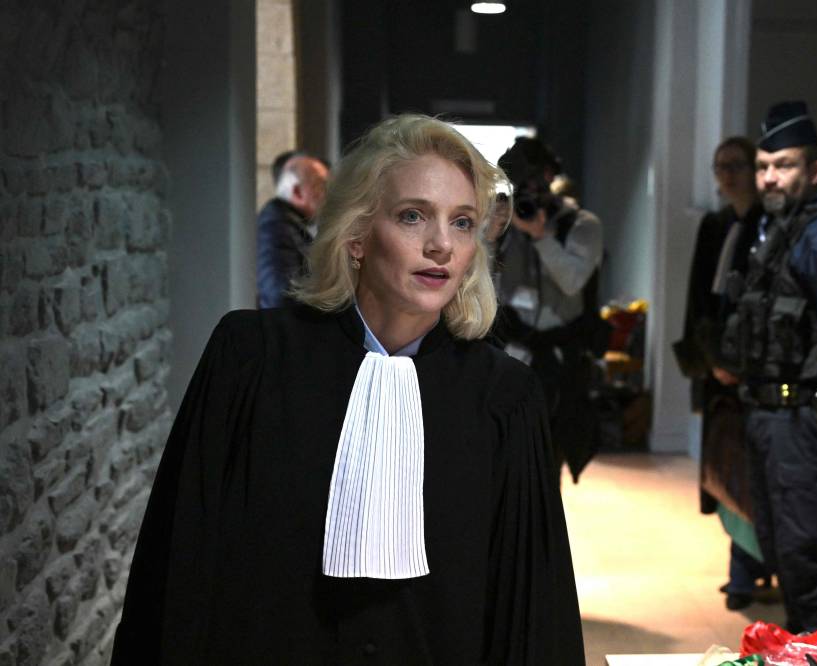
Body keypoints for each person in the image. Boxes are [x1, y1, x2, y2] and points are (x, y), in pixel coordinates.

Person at [111, 115, 585, 664]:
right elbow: (179, 562)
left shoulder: (505, 398)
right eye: (412, 216)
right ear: (356, 236)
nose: (441, 245)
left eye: (461, 222)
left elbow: (530, 607)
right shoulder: (250, 358)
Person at [720, 101, 817, 634]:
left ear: (813, 171)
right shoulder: (776, 232)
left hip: (803, 422)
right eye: (763, 166)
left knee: (809, 557)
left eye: (783, 165)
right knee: (782, 551)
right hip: (768, 418)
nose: (769, 177)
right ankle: (802, 649)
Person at [675, 136, 770, 611]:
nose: (727, 175)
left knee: (750, 470)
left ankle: (746, 571)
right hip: (718, 363)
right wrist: (708, 359)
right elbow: (699, 296)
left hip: (756, 369)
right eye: (720, 167)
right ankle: (744, 567)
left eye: (736, 165)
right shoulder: (715, 225)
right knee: (727, 466)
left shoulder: (770, 225)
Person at [493, 137, 605, 485]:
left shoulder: (581, 224)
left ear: (549, 176)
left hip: (558, 359)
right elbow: (476, 282)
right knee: (502, 458)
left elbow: (572, 281)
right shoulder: (501, 223)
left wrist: (541, 237)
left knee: (547, 463)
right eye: (520, 185)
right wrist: (489, 235)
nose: (529, 192)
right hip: (509, 352)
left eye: (535, 180)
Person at [256, 152, 330, 308]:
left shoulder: (289, 221)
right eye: (321, 185)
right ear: (297, 192)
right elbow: (280, 294)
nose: (327, 194)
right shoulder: (275, 225)